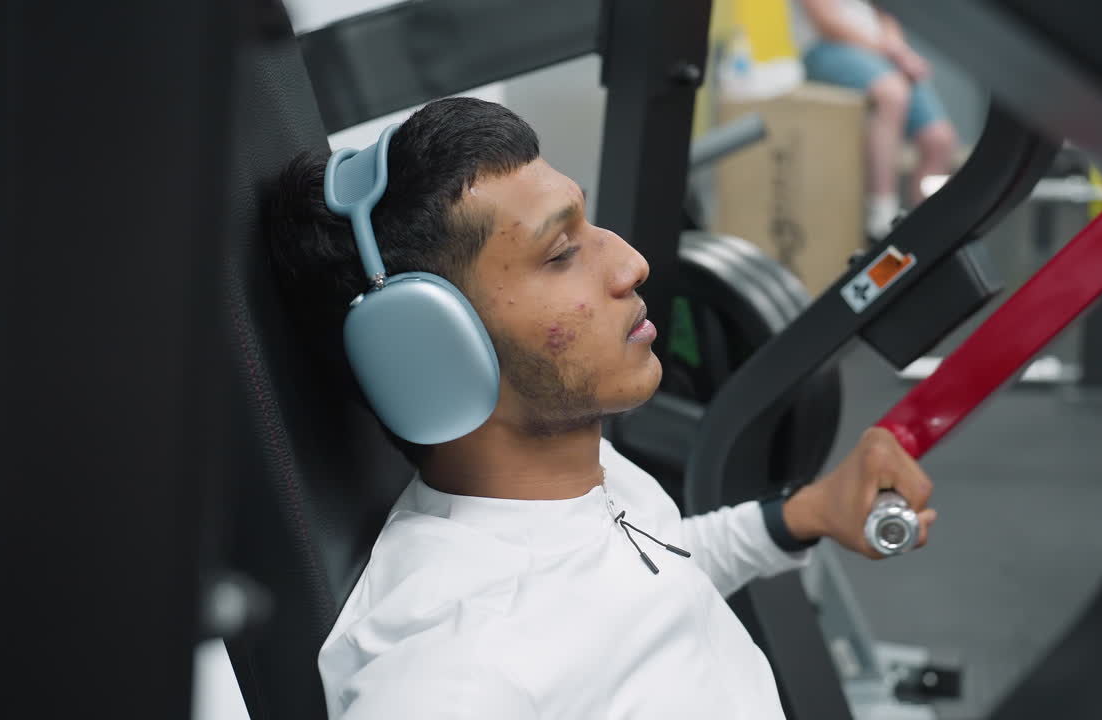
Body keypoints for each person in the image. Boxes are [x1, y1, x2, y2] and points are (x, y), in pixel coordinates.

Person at [267, 97, 936, 719]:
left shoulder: (584, 480)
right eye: (560, 254)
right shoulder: (458, 670)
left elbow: (652, 563)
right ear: (436, 351)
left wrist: (799, 516)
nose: (631, 264)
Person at [789, 0, 959, 240]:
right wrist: (887, 51)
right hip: (827, 48)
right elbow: (826, 20)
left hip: (882, 54)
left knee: (940, 140)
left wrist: (899, 50)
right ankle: (882, 213)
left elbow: (887, 15)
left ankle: (932, 224)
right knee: (892, 94)